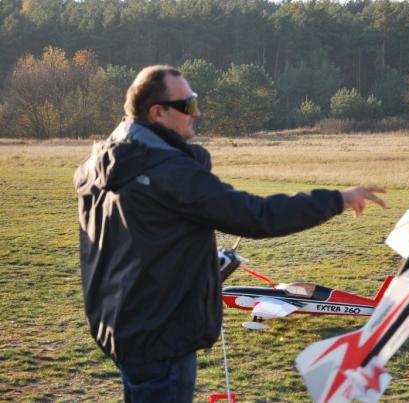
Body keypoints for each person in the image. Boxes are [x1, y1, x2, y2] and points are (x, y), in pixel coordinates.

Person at [74, 65, 387, 402]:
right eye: (188, 105)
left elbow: (138, 242)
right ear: (158, 113)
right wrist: (336, 199)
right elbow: (258, 216)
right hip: (162, 335)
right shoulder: (169, 172)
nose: (197, 113)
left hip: (121, 327)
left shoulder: (98, 167)